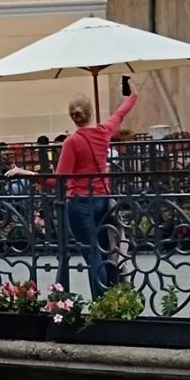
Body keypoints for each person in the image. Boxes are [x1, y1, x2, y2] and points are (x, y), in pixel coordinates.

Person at [55, 78, 138, 296]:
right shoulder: (104, 132)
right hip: (102, 201)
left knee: (92, 254)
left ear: (72, 116)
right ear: (91, 112)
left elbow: (58, 180)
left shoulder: (72, 142)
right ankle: (112, 297)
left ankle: (100, 300)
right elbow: (120, 114)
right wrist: (133, 95)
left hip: (80, 203)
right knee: (105, 251)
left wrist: (30, 175)